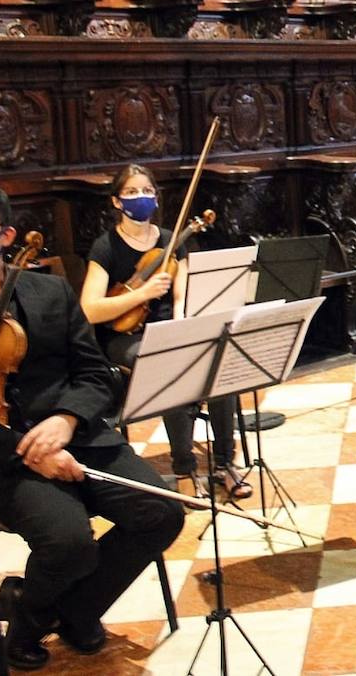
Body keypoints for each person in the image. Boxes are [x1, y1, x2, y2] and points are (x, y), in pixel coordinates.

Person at [0, 179, 185, 670]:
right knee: (69, 541)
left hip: (77, 437)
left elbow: (95, 374)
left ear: (6, 235)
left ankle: (62, 608)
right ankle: (28, 626)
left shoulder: (50, 291)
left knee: (163, 513)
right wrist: (25, 449)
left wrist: (66, 420)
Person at [79, 164, 249, 501]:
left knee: (218, 361)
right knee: (171, 366)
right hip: (124, 337)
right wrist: (141, 294)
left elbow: (181, 296)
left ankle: (224, 463)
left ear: (156, 198)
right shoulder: (105, 247)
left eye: (146, 191)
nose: (139, 197)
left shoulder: (173, 241)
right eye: (130, 192)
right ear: (116, 201)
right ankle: (184, 467)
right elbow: (90, 308)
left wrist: (183, 326)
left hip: (169, 327)